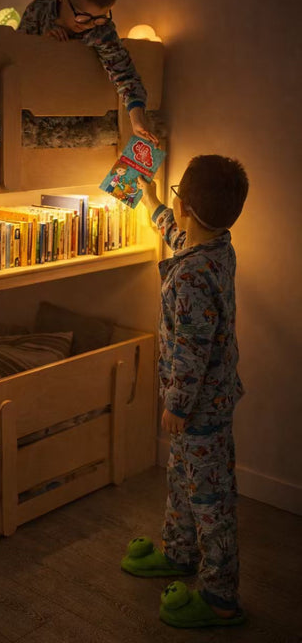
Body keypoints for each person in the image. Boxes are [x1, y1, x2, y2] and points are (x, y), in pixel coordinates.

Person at [120, 155, 249, 629]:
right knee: (182, 480)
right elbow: (179, 237)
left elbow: (191, 353)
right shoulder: (218, 249)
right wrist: (153, 200)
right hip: (209, 401)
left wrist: (175, 406)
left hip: (197, 409)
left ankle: (219, 596)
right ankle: (178, 552)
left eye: (175, 196)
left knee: (210, 499)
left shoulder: (192, 277)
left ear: (188, 208)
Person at [18, 0, 157, 144]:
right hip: (35, 103)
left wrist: (137, 118)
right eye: (83, 17)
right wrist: (44, 46)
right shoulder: (37, 12)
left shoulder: (101, 30)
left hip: (77, 107)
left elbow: (124, 74)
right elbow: (18, 55)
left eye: (99, 17)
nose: (90, 25)